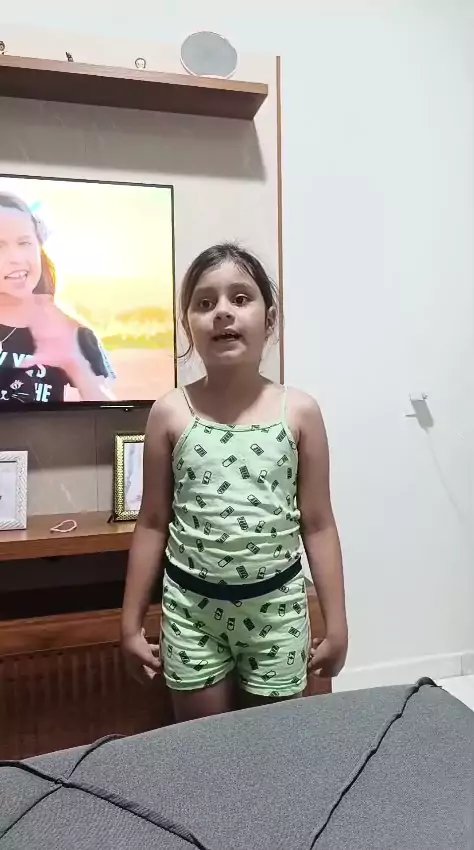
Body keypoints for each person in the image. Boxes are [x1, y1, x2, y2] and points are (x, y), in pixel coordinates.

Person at [121, 242, 347, 721]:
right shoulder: (170, 412)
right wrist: (129, 623)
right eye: (205, 303)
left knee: (273, 748)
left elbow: (319, 523)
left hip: (277, 612)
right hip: (191, 612)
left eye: (240, 298)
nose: (222, 311)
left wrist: (338, 623)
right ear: (189, 325)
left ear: (270, 320)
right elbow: (153, 522)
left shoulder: (299, 412)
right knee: (203, 749)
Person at [0, 192, 114, 403]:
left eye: (24, 242)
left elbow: (113, 414)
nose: (16, 258)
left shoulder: (73, 333)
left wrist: (75, 364)